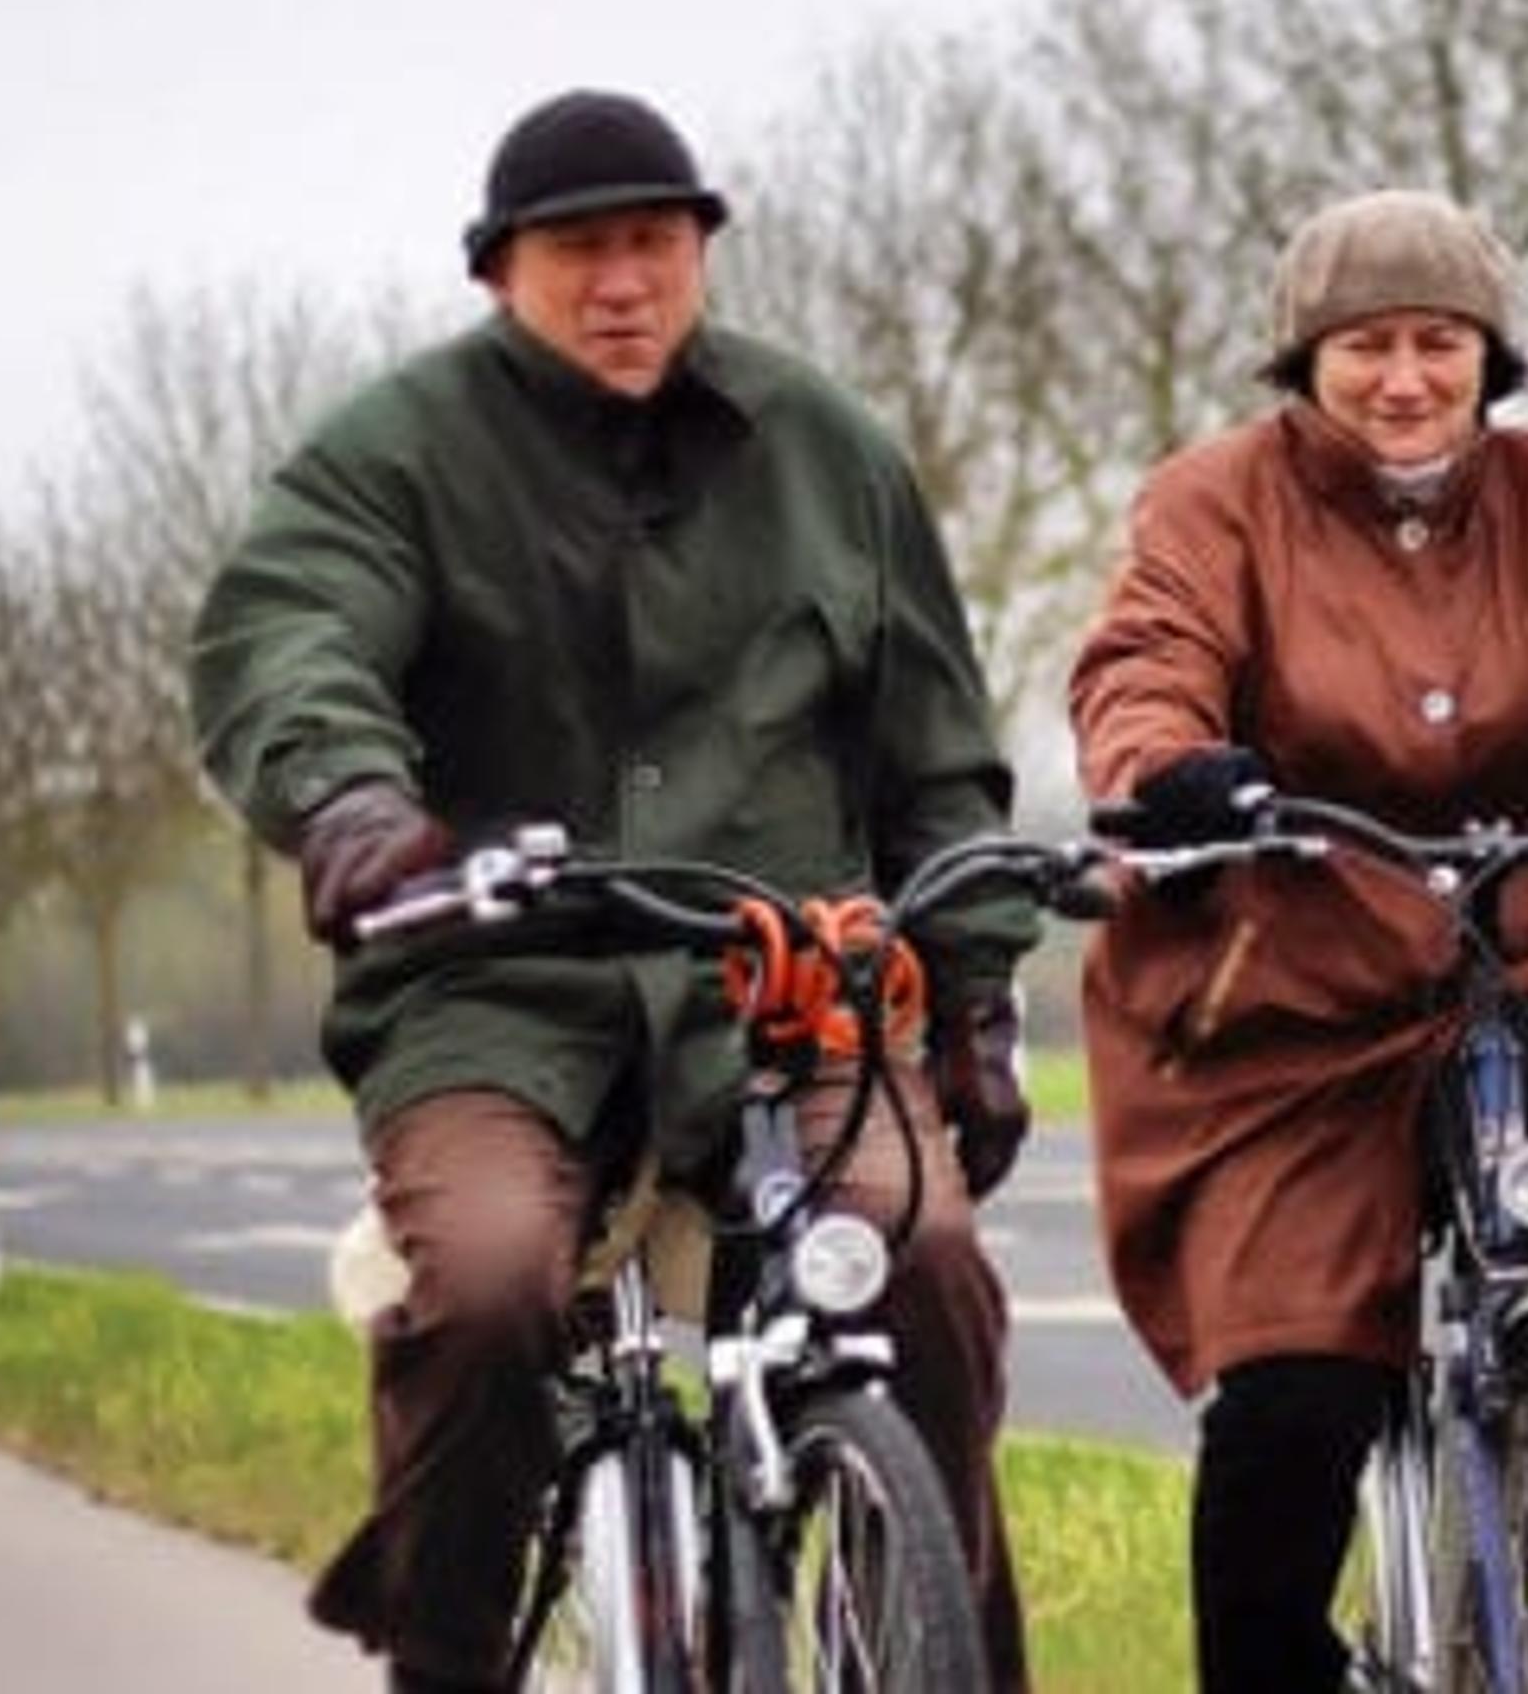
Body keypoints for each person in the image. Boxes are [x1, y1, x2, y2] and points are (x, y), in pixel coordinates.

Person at [188, 88, 1038, 1693]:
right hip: (498, 989)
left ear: (703, 252)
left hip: (788, 986)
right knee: (495, 1283)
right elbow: (289, 639)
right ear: (502, 269)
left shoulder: (829, 449)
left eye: (656, 242)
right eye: (581, 251)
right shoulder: (396, 455)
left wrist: (978, 995)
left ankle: (930, 1650)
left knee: (921, 1266)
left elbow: (938, 753)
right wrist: (357, 807)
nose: (624, 283)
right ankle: (448, 1658)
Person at [1068, 187, 1528, 1690]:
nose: (1404, 377)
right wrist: (1166, 765)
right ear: (1305, 363)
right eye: (1367, 347)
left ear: (1490, 358)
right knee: (1294, 1391)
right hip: (1294, 984)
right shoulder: (1218, 500)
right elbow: (1149, 653)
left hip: (1522, 938)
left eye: (1438, 343)